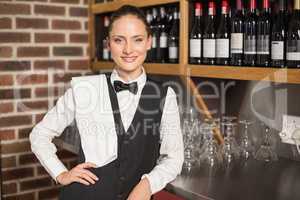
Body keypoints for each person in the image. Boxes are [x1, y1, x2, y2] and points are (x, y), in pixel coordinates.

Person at [29, 5, 184, 200]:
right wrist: (60, 173)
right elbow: (39, 135)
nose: (128, 50)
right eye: (119, 40)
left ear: (149, 42)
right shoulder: (84, 89)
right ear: (108, 44)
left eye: (137, 40)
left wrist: (147, 185)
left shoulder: (165, 95)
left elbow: (174, 158)